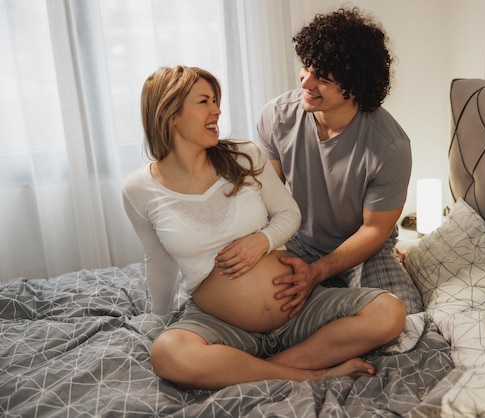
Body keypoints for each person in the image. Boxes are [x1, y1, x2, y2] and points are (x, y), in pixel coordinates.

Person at [122, 65, 406, 391]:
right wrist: (159, 322)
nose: (217, 110)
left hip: (297, 308)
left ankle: (255, 369)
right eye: (204, 101)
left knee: (389, 311)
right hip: (223, 324)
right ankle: (310, 373)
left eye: (216, 100)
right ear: (170, 114)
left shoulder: (244, 156)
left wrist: (262, 240)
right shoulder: (139, 190)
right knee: (168, 354)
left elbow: (288, 213)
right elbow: (159, 262)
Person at [256, 7, 423, 316]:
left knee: (406, 314)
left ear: (355, 85)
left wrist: (318, 272)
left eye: (322, 77)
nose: (306, 82)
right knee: (256, 306)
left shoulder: (390, 146)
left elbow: (373, 230)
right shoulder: (276, 117)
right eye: (307, 67)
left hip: (363, 246)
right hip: (298, 239)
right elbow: (266, 199)